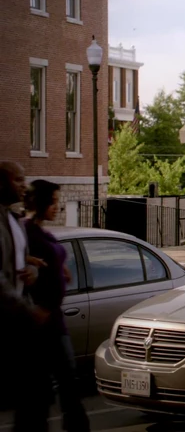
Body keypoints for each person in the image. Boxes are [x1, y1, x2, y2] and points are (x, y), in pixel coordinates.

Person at [23, 180, 90, 432]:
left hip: (54, 317)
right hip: (42, 317)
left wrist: (60, 266)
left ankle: (74, 424)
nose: (57, 207)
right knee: (50, 382)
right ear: (40, 202)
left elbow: (53, 254)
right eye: (52, 201)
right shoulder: (26, 230)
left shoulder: (43, 232)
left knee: (66, 379)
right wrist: (27, 261)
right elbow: (13, 258)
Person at [0, 161, 50, 430]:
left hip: (18, 321)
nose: (23, 185)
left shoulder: (14, 220)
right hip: (10, 318)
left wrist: (32, 270)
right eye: (17, 180)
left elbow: (25, 261)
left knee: (34, 394)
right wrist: (27, 310)